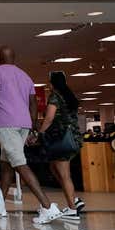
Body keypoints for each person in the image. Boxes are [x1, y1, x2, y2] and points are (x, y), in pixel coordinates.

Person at [0, 45, 62, 224]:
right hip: (23, 125)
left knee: (19, 164)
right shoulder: (25, 76)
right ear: (14, 58)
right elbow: (33, 103)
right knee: (6, 165)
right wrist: (33, 126)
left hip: (7, 124)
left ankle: (47, 206)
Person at [37, 71, 85, 220]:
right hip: (73, 139)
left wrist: (40, 132)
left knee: (64, 175)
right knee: (54, 168)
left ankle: (72, 209)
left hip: (63, 140)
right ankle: (74, 199)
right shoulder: (69, 96)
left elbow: (49, 117)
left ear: (52, 83)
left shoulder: (55, 97)